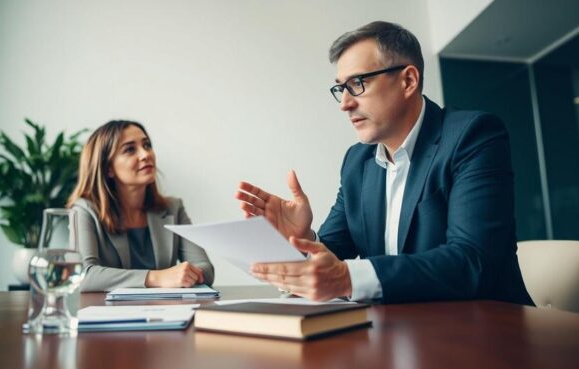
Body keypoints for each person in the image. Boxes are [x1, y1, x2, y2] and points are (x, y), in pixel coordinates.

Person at [236, 21, 533, 305]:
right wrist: (302, 239)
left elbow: (473, 261)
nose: (345, 103)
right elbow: (332, 260)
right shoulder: (357, 161)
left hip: (486, 328)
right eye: (341, 88)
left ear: (408, 81)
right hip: (397, 329)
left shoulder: (472, 136)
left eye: (357, 83)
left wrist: (347, 278)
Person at [67, 120, 214, 292]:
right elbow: (82, 275)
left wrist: (188, 274)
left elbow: (205, 269)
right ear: (108, 168)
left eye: (147, 145)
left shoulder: (173, 208)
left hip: (165, 308)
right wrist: (156, 278)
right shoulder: (84, 210)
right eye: (130, 149)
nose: (145, 154)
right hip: (108, 308)